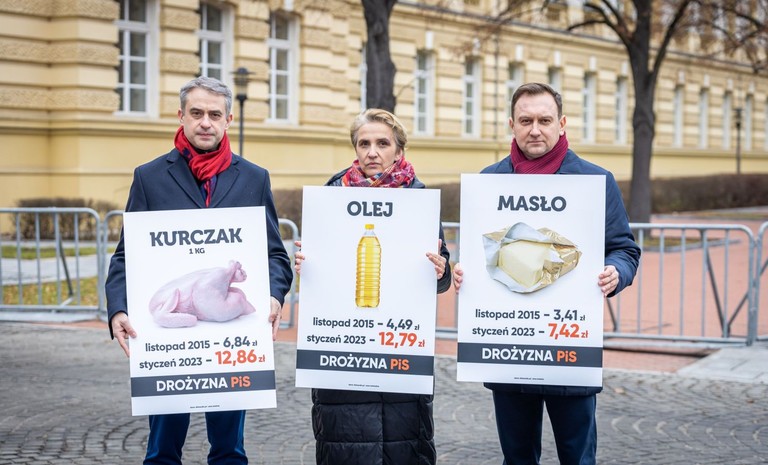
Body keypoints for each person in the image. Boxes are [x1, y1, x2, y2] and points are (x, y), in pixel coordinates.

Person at [105, 76, 293, 465]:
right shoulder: (149, 177)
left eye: (214, 114)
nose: (205, 122)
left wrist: (274, 296)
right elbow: (126, 254)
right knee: (161, 451)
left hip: (230, 345)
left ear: (228, 120)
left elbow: (275, 255)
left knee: (229, 451)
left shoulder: (254, 177)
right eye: (196, 113)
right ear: (181, 116)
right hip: (170, 348)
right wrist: (118, 309)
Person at [453, 82, 641, 465]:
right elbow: (478, 253)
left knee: (577, 457)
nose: (535, 129)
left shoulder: (595, 181)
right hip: (508, 348)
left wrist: (616, 272)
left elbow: (624, 249)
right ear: (511, 125)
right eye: (526, 121)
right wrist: (462, 271)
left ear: (562, 123)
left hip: (569, 348)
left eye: (544, 120)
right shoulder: (488, 182)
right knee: (517, 457)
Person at [293, 108, 451, 465]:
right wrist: (307, 264)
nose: (372, 152)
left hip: (400, 353)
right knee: (345, 447)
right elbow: (320, 271)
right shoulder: (330, 197)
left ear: (399, 150)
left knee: (404, 448)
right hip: (343, 352)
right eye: (364, 143)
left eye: (382, 143)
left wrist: (441, 269)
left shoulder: (419, 200)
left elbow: (440, 277)